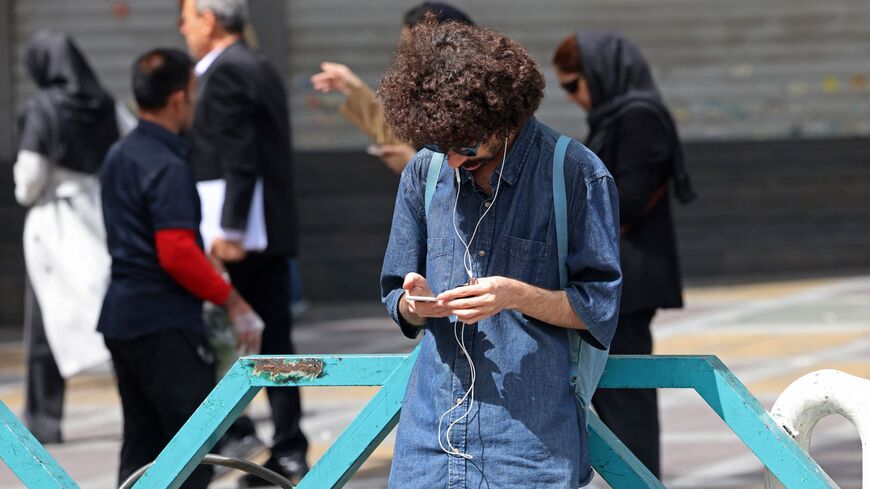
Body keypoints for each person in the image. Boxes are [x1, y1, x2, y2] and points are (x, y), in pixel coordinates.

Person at [378, 16, 622, 488]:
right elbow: (395, 297)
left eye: (465, 144)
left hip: (529, 448)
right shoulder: (423, 173)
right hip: (427, 443)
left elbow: (600, 308)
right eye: (437, 143)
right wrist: (413, 303)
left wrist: (514, 295)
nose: (451, 159)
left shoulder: (575, 174)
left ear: (506, 120)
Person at [98, 47, 262, 488]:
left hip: (123, 318)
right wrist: (234, 301)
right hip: (163, 323)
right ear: (177, 100)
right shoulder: (165, 163)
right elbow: (174, 251)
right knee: (190, 452)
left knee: (142, 445)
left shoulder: (122, 153)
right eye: (193, 91)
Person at [552, 31, 697, 477]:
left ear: (600, 74)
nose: (573, 98)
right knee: (611, 396)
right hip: (611, 282)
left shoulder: (640, 119)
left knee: (625, 399)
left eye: (573, 85)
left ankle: (638, 481)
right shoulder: (615, 118)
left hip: (625, 286)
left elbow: (629, 198)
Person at [178, 0, 308, 484]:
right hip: (263, 231)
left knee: (239, 336)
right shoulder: (256, 62)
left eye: (187, 17)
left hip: (244, 236)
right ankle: (287, 446)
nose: (183, 28)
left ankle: (265, 442)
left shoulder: (226, 70)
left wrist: (228, 233)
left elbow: (239, 156)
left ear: (209, 20)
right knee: (271, 338)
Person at [14, 30, 119, 445]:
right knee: (111, 309)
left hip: (54, 223)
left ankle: (43, 419)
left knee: (44, 322)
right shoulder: (105, 104)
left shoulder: (42, 107)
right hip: (98, 215)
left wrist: (28, 191)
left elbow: (30, 178)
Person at [310, 2, 474, 174]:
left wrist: (415, 168)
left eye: (412, 48)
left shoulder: (474, 102)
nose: (406, 60)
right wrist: (354, 88)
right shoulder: (433, 98)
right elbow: (401, 136)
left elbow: (473, 181)